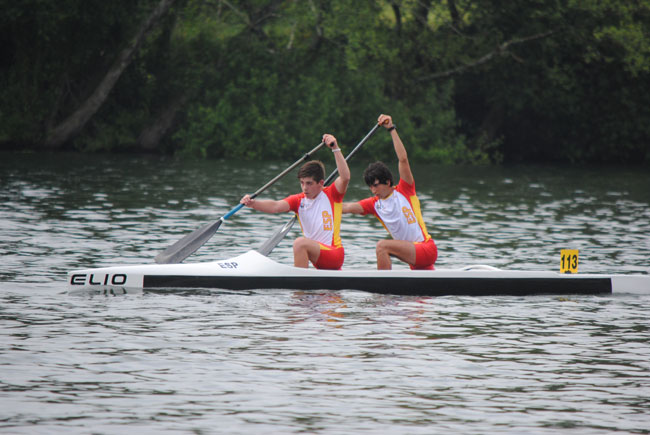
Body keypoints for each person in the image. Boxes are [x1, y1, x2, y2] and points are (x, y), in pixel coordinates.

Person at [240, 134, 350, 269]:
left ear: (321, 183)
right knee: (301, 244)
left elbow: (345, 177)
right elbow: (275, 206)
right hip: (318, 258)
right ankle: (303, 282)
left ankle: (299, 287)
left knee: (299, 243)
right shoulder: (298, 201)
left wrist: (335, 148)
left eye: (309, 183)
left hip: (334, 254)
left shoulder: (332, 194)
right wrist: (252, 203)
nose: (304, 188)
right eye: (302, 183)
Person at [342, 114, 437, 270]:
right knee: (421, 295)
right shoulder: (374, 205)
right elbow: (345, 208)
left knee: (382, 247)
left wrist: (391, 129)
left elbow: (403, 159)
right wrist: (320, 200)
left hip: (426, 249)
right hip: (414, 259)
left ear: (387, 181)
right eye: (370, 187)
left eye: (376, 185)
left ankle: (382, 291)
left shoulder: (405, 190)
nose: (373, 191)